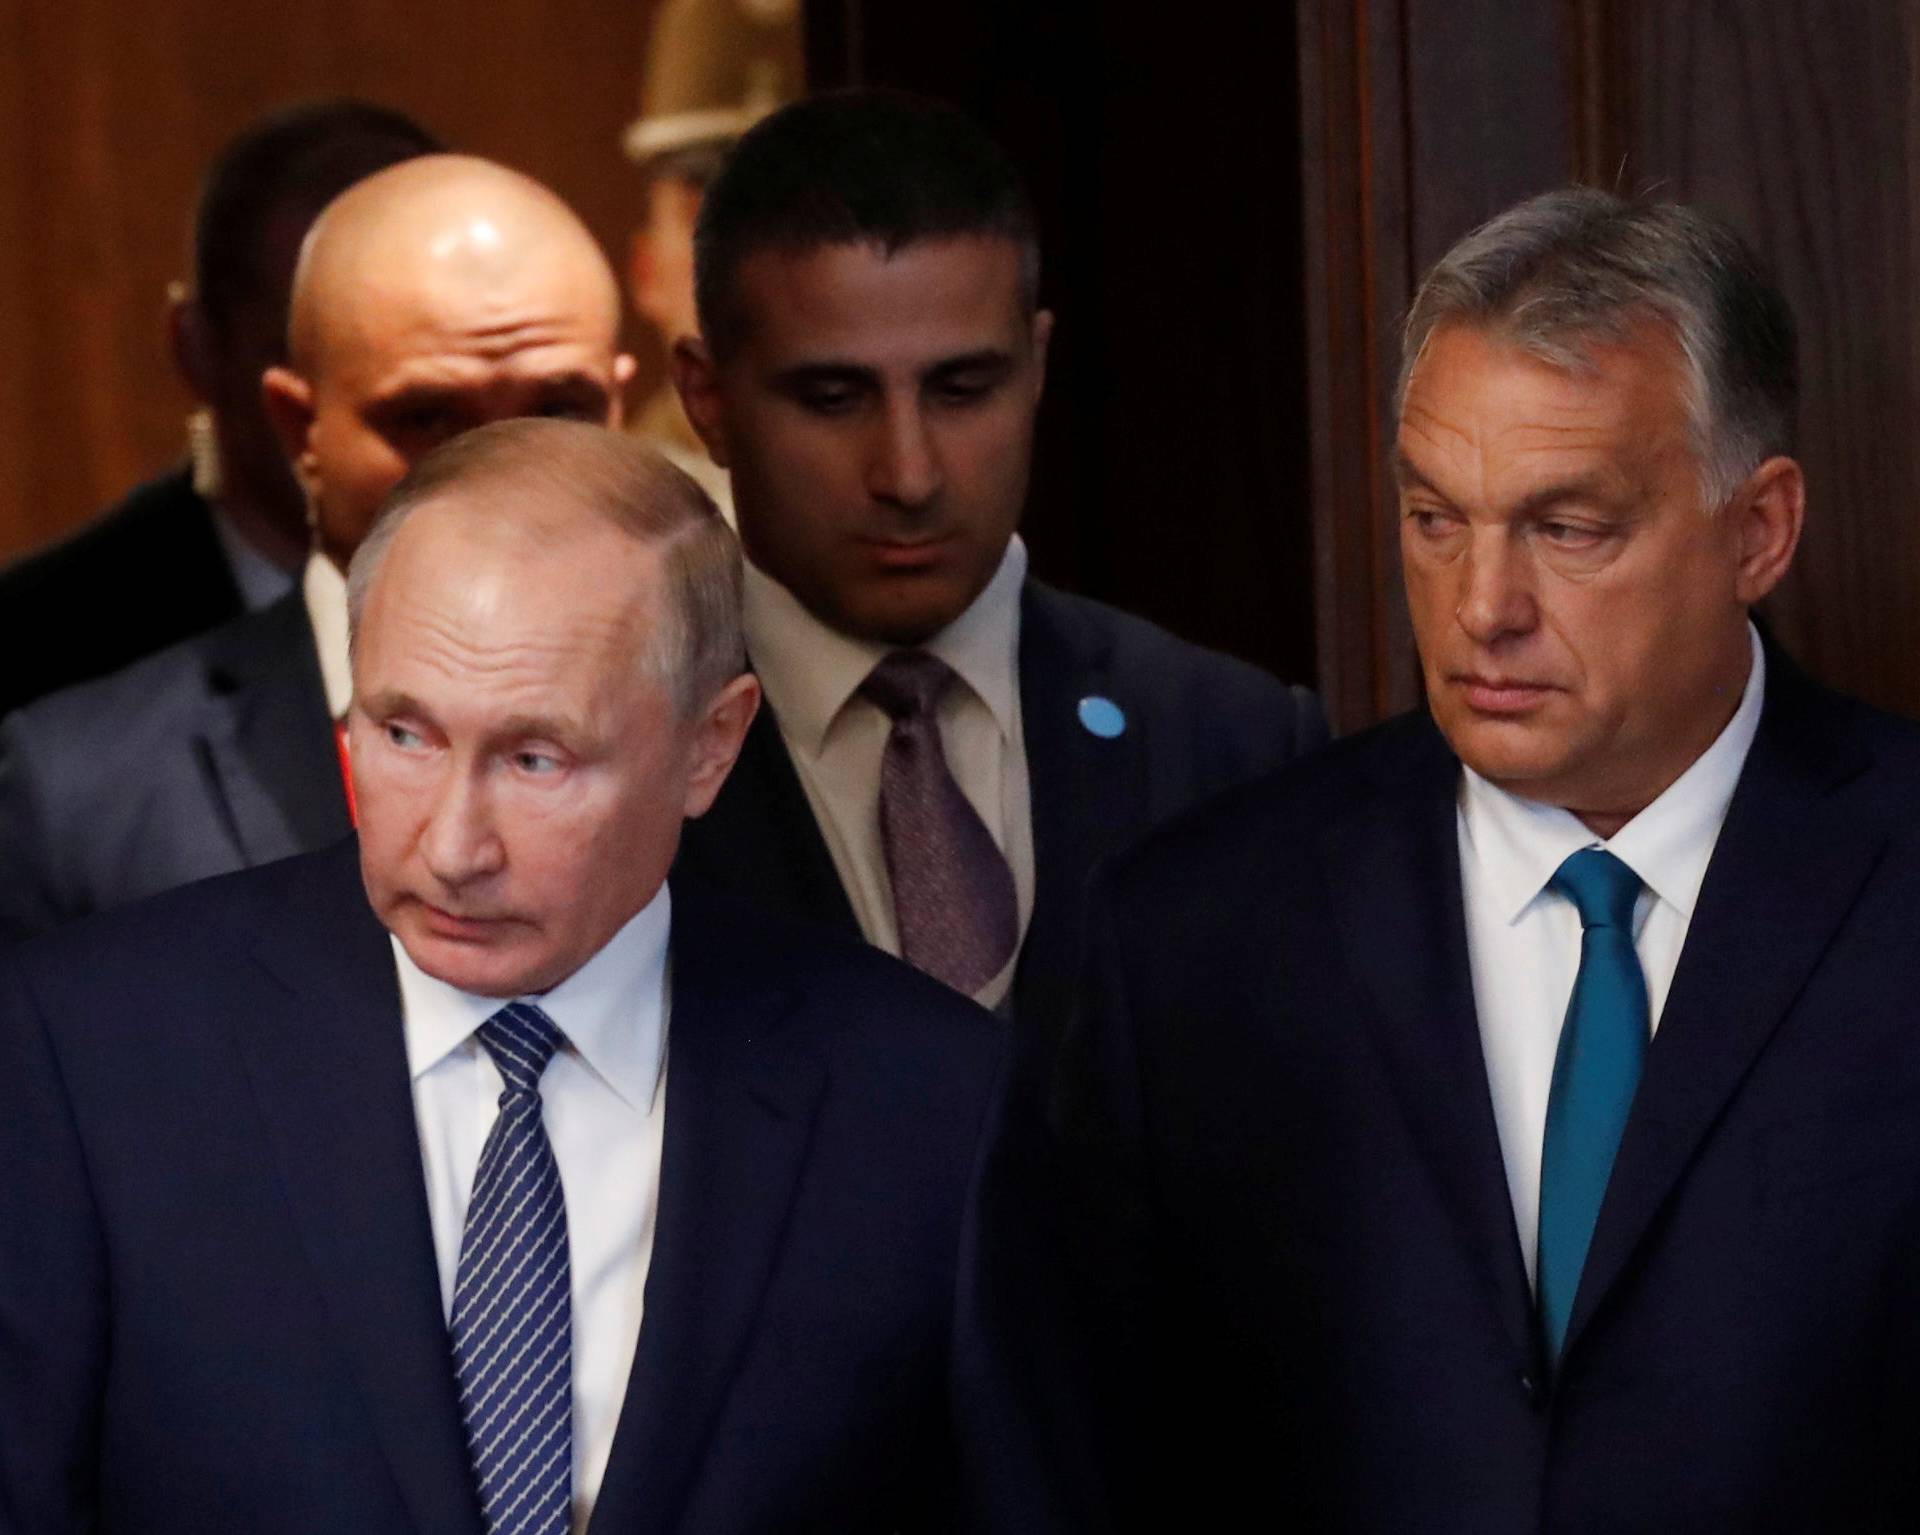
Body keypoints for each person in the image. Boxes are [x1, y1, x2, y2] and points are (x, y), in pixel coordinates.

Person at [1018, 187, 1920, 1531]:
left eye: (1568, 528)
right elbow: (1082, 1458)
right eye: (1437, 517)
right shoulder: (1196, 935)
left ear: (1758, 530)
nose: (1482, 606)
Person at [0, 418, 1007, 1533]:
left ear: (711, 744)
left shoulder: (927, 1104)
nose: (452, 846)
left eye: (536, 758)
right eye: (404, 734)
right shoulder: (89, 1056)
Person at [669, 90, 1327, 1028]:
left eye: (964, 388)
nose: (908, 472)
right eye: (832, 397)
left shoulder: (1231, 741)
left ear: (1039, 362)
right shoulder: (617, 760)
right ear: (707, 399)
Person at [0, 154, 635, 937]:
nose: (500, 469)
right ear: (301, 427)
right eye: (428, 418)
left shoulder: (742, 731)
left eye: (560, 410)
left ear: (619, 404)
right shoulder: (84, 789)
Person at [0, 99, 442, 719]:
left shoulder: (579, 607)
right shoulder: (37, 654)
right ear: (197, 352)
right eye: (318, 358)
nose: (383, 407)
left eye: (431, 377)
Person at [619, 0, 804, 515]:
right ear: (646, 269)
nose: (758, 256)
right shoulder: (599, 517)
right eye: (709, 218)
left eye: (804, 216)